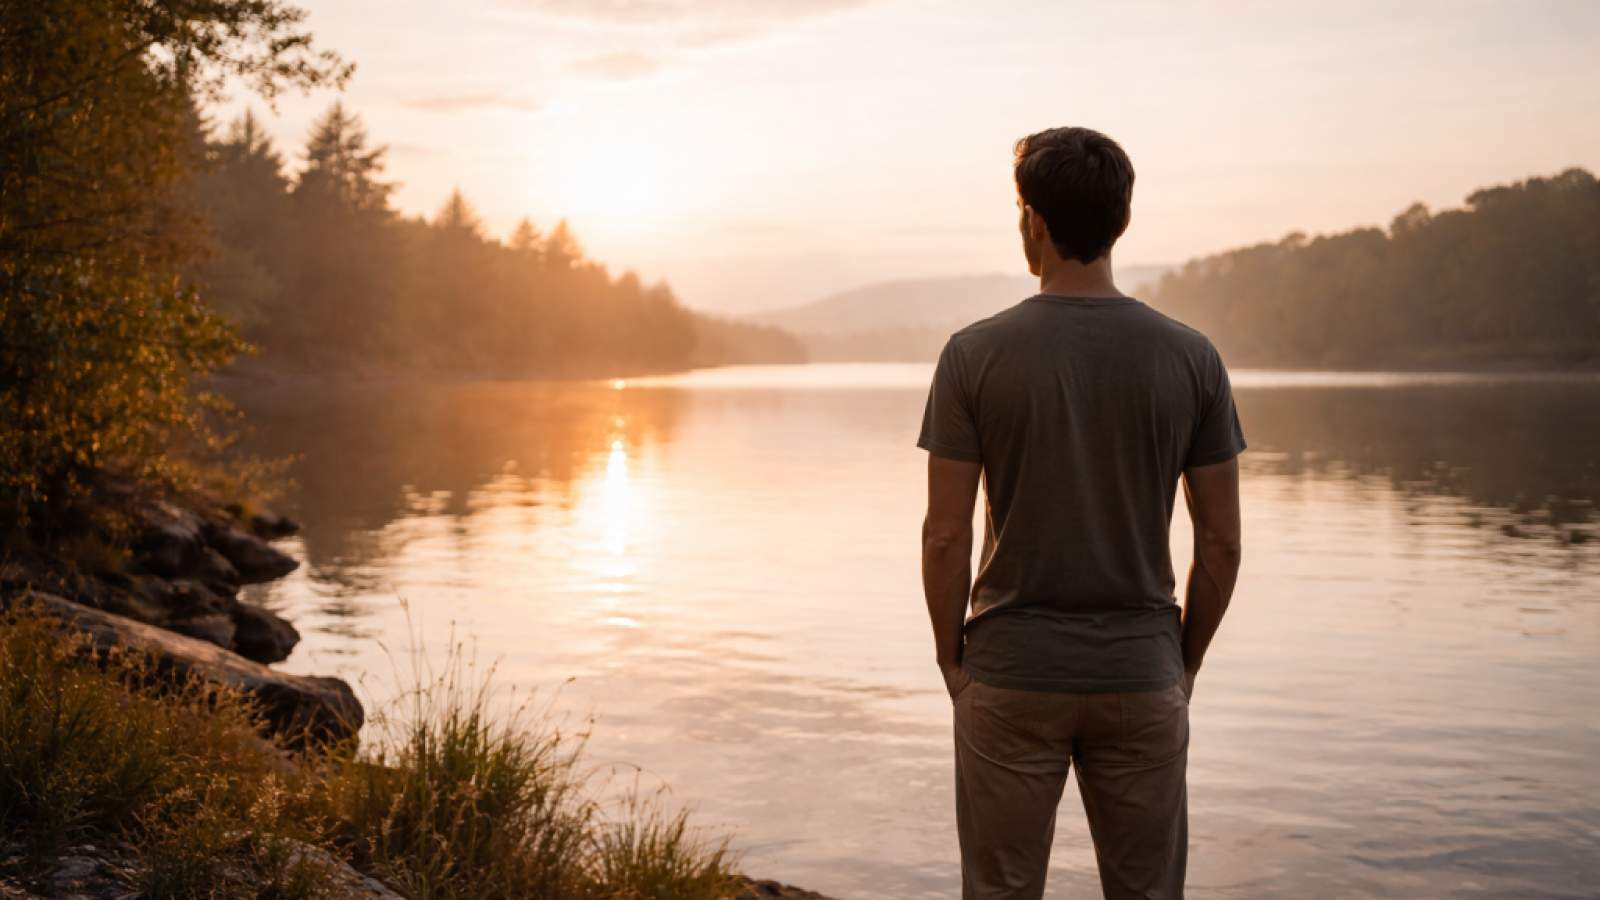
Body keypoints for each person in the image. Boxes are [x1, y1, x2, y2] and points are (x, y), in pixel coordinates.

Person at [918, 126, 1245, 900]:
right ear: (1122, 221)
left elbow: (945, 535)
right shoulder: (1192, 357)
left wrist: (950, 661)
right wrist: (1183, 664)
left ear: (1032, 220)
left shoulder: (973, 355)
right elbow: (1222, 543)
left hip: (1009, 673)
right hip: (1142, 672)